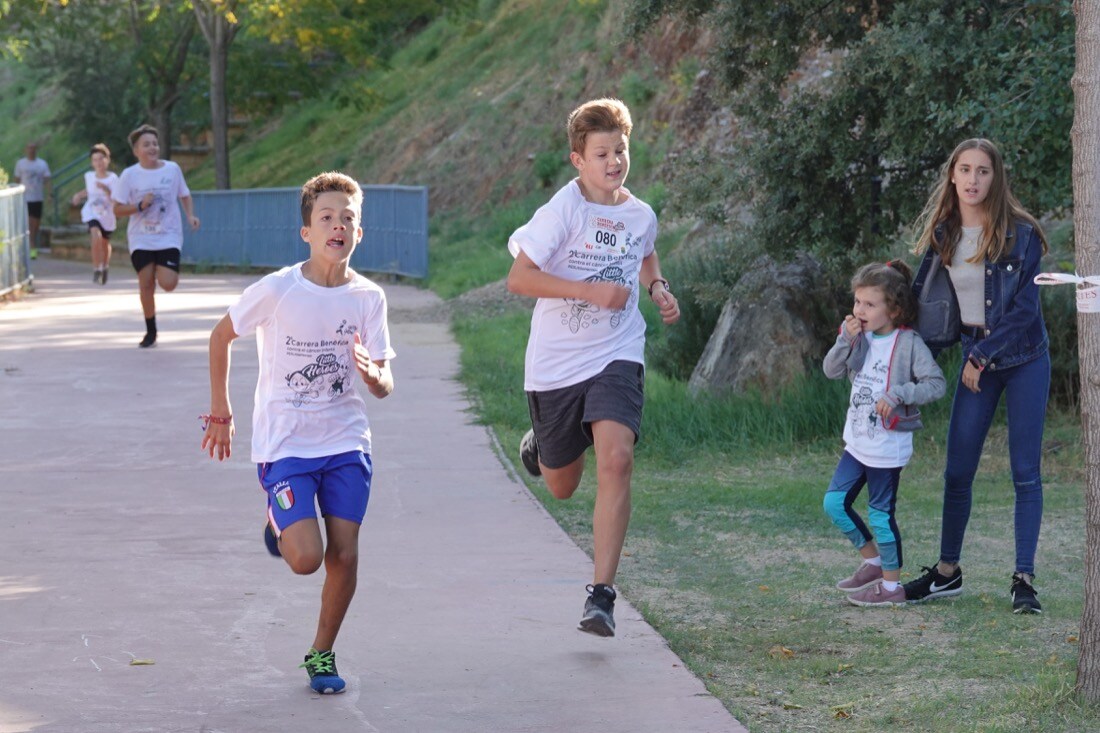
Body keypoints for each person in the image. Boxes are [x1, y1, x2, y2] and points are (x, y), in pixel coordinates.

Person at [201, 171, 395, 694]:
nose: (338, 225)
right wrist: (222, 410)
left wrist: (375, 376)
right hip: (285, 444)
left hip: (346, 441)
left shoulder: (368, 298)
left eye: (348, 218)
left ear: (361, 232)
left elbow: (384, 381)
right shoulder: (279, 289)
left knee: (345, 553)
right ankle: (279, 519)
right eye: (326, 217)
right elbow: (221, 336)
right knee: (306, 559)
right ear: (306, 231)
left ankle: (322, 653)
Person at [506, 98, 680, 637]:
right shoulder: (564, 210)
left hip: (617, 351)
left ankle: (601, 595)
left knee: (617, 459)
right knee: (561, 485)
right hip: (557, 364)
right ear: (578, 159)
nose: (614, 162)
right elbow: (519, 279)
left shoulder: (640, 212)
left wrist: (656, 286)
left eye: (620, 150)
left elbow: (644, 249)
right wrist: (588, 291)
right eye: (601, 153)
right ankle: (542, 444)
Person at [903, 138, 1051, 614]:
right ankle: (948, 573)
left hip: (1023, 358)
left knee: (1025, 473)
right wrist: (876, 333)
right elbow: (919, 300)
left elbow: (1026, 310)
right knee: (958, 470)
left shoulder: (1022, 235)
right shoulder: (943, 234)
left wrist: (981, 355)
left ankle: (1023, 579)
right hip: (976, 359)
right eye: (964, 170)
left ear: (996, 177)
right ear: (952, 176)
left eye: (982, 171)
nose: (972, 180)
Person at [822, 261, 946, 607]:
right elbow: (831, 370)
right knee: (834, 504)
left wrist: (899, 394)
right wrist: (844, 340)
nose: (859, 310)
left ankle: (892, 588)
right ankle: (873, 563)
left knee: (880, 515)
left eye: (869, 304)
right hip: (857, 444)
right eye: (857, 302)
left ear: (894, 309)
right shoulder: (858, 337)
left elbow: (936, 384)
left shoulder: (908, 343)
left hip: (887, 448)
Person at [111, 124, 200, 348]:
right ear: (136, 151)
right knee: (146, 283)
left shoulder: (172, 169)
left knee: (168, 283)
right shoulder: (129, 175)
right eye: (146, 144)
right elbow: (117, 209)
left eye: (155, 143)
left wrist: (190, 216)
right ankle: (151, 331)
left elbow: (185, 195)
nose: (152, 147)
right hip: (141, 237)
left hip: (168, 234)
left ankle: (164, 277)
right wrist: (140, 205)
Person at [70, 143, 119, 284]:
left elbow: (116, 198)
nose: (99, 163)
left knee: (104, 242)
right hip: (92, 211)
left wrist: (106, 189)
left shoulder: (113, 178)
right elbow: (89, 191)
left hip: (107, 214)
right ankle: (96, 268)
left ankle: (105, 266)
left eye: (101, 159)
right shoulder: (89, 176)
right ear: (92, 163)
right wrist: (78, 195)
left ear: (107, 160)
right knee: (95, 235)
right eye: (95, 160)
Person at [13, 142, 51, 259]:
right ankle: (31, 247)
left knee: (36, 224)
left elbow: (47, 179)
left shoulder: (42, 164)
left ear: (36, 150)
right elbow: (17, 180)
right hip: (25, 198)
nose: (31, 150)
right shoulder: (21, 164)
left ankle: (32, 244)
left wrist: (50, 194)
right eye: (29, 148)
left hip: (37, 198)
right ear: (26, 149)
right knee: (29, 223)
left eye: (33, 148)